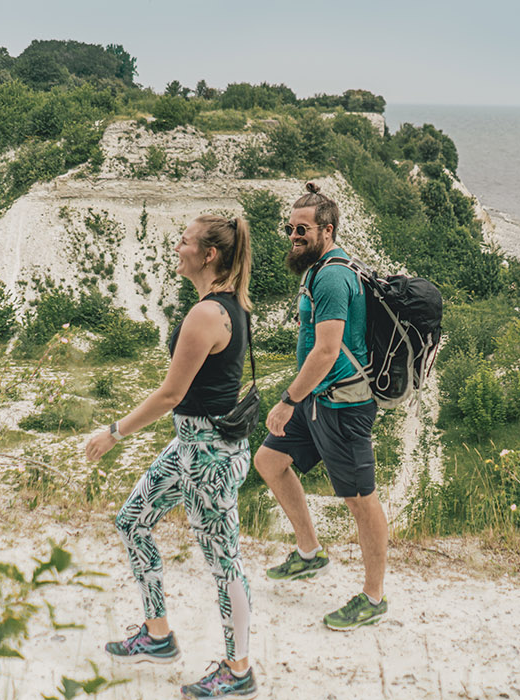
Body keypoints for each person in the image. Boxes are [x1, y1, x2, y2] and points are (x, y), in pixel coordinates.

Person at [85, 215, 258, 699]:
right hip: (191, 446)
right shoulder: (227, 305)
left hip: (207, 455)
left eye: (184, 241)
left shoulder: (207, 314)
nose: (175, 247)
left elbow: (170, 394)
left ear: (208, 255)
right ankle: (157, 634)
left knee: (225, 563)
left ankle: (237, 669)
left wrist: (113, 433)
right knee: (132, 519)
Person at [255, 182, 389, 631]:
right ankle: (310, 553)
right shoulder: (316, 269)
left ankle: (373, 597)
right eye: (289, 227)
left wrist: (287, 400)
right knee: (270, 460)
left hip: (343, 406)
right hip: (317, 398)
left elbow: (327, 351)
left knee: (358, 499)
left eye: (303, 229)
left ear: (327, 231)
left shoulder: (332, 275)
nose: (293, 235)